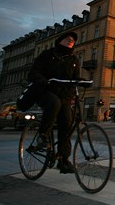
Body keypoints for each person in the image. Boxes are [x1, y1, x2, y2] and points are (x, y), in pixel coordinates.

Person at [28, 31, 80, 174]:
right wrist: (44, 82)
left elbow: (76, 78)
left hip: (64, 96)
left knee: (66, 127)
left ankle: (63, 160)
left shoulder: (74, 59)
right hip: (45, 92)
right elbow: (33, 73)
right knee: (54, 103)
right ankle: (43, 136)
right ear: (60, 41)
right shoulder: (47, 54)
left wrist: (81, 84)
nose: (70, 40)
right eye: (67, 38)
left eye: (73, 40)